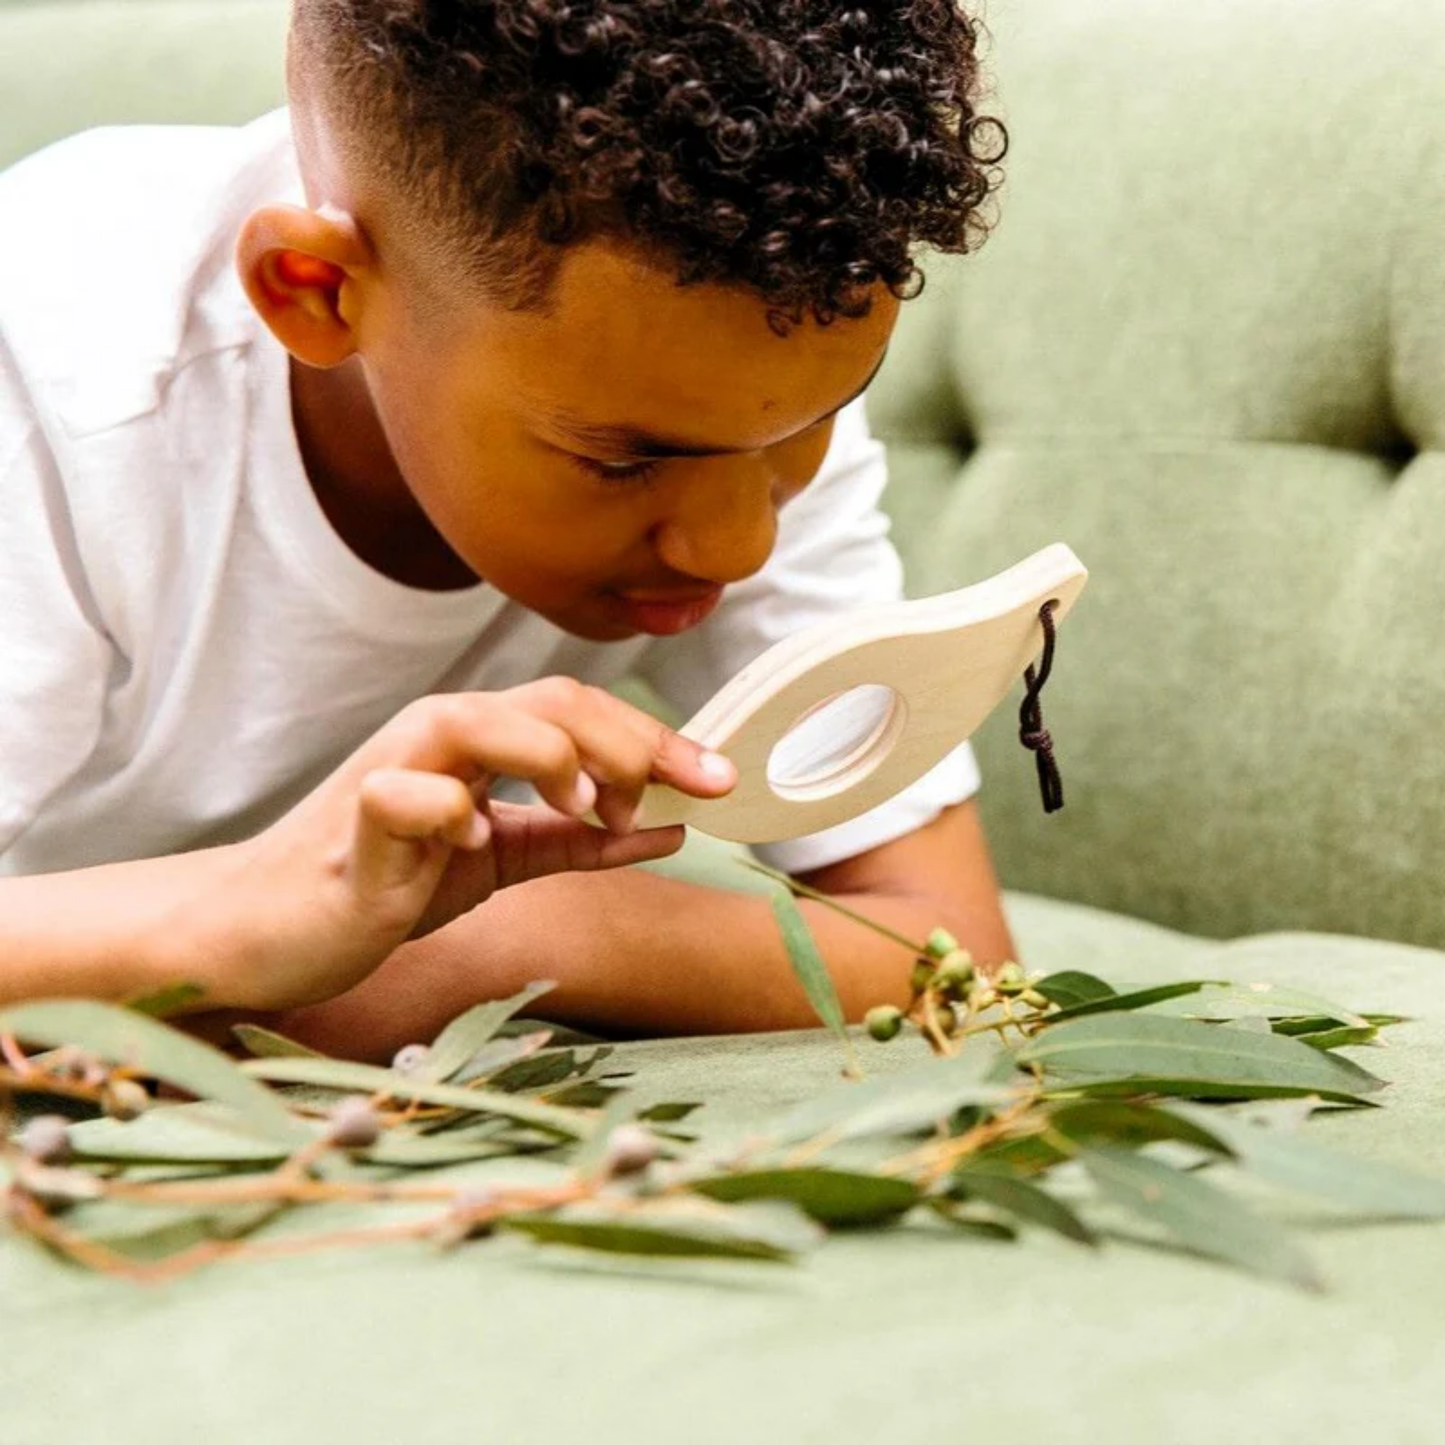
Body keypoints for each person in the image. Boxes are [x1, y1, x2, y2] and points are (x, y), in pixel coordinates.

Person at [0, 0, 1015, 1060]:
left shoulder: (739, 381)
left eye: (810, 424)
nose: (735, 546)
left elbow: (951, 951)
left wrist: (475, 942)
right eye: (624, 461)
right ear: (319, 291)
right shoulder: (55, 368)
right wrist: (252, 934)